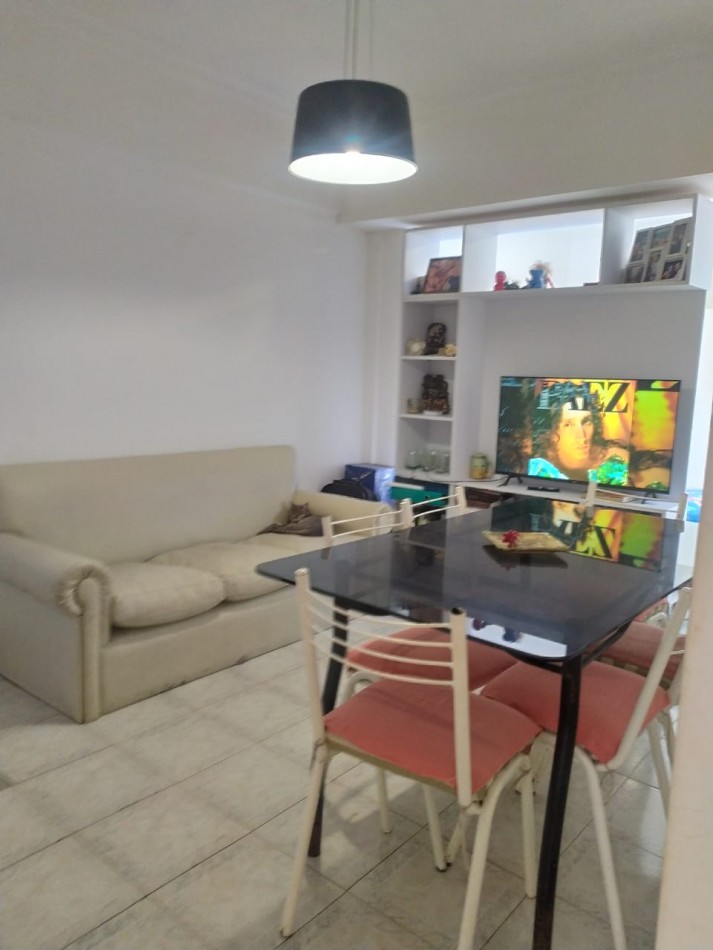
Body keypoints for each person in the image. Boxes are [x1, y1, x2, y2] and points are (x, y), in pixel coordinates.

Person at [527, 382, 629, 485]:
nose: (581, 436)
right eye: (568, 425)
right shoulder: (538, 468)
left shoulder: (614, 462)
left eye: (586, 422)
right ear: (551, 432)